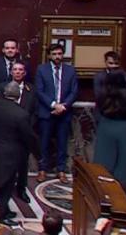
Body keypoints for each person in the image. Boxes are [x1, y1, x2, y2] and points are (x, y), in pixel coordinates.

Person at [0, 82, 39, 226]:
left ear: (4, 93)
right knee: (5, 185)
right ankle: (0, 216)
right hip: (10, 153)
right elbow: (28, 136)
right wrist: (38, 153)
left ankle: (4, 210)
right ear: (18, 95)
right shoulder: (21, 114)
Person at [36, 43, 77, 183]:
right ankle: (42, 170)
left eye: (59, 54)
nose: (57, 57)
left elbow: (74, 91)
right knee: (44, 142)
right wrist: (54, 105)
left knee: (62, 143)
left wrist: (63, 106)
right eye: (54, 54)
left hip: (64, 112)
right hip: (47, 112)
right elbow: (40, 91)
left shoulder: (70, 70)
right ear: (49, 55)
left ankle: (61, 170)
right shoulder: (42, 69)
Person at [93, 71, 126, 191]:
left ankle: (102, 183)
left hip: (105, 125)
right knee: (124, 156)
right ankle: (122, 186)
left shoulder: (102, 94)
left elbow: (99, 111)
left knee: (104, 154)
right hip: (124, 127)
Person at [10, 61, 35, 201]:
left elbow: (34, 112)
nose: (18, 72)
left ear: (24, 73)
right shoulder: (3, 87)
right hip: (8, 133)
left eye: (21, 70)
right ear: (11, 72)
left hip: (24, 133)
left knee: (23, 163)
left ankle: (21, 189)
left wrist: (28, 128)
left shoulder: (31, 90)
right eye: (15, 70)